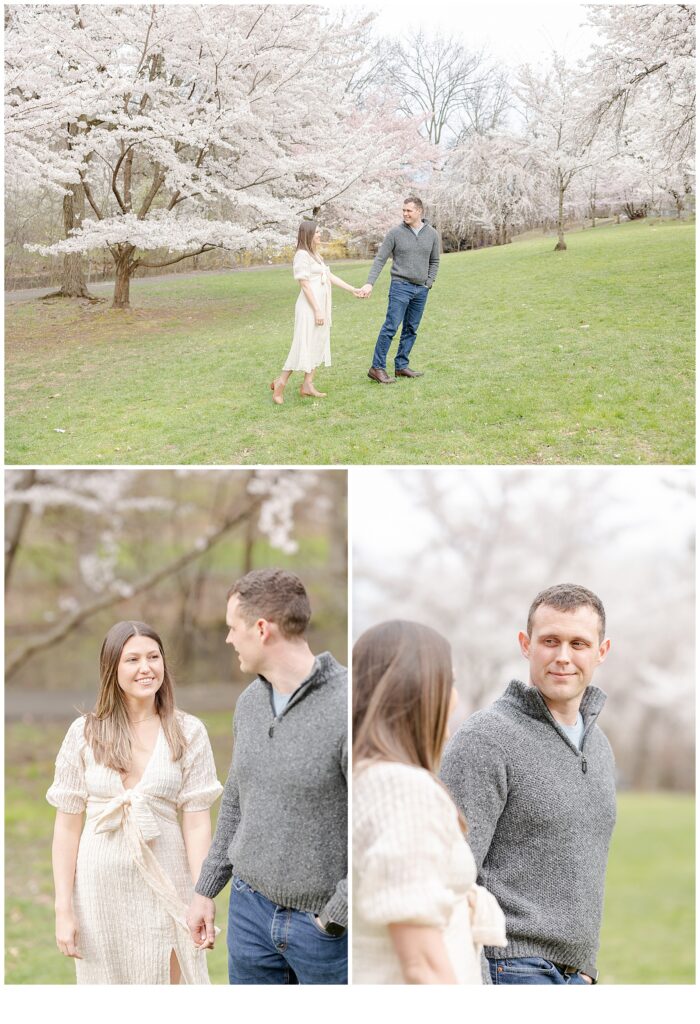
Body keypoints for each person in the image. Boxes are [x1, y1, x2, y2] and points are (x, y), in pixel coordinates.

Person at [441, 583, 616, 986]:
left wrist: (585, 971)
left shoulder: (600, 746)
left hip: (576, 975)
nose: (563, 657)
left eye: (579, 644)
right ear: (526, 644)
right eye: (550, 641)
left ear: (601, 651)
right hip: (510, 967)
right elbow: (448, 874)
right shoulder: (488, 737)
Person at [187, 569, 348, 984]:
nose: (228, 639)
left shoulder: (349, 707)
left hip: (326, 937)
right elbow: (238, 801)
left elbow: (376, 832)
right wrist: (206, 889)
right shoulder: (250, 703)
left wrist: (336, 917)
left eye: (232, 628)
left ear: (261, 629)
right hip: (249, 917)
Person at [46, 620, 223, 984]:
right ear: (112, 668)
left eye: (154, 657)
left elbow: (197, 822)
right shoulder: (84, 733)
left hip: (167, 881)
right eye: (133, 659)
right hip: (100, 893)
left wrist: (200, 894)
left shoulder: (188, 731)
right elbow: (66, 827)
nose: (146, 668)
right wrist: (64, 909)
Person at [352, 620, 505, 984]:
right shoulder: (401, 791)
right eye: (449, 682)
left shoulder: (371, 777)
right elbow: (423, 965)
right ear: (421, 690)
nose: (453, 697)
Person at [271, 220, 363, 403]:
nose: (320, 235)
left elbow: (328, 276)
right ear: (308, 234)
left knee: (317, 343)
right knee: (302, 343)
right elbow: (304, 285)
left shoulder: (315, 255)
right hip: (309, 307)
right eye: (317, 232)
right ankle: (280, 383)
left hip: (322, 305)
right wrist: (317, 310)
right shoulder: (302, 255)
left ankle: (307, 385)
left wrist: (352, 289)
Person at [359, 196, 440, 384]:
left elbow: (434, 260)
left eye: (409, 210)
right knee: (391, 327)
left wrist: (429, 282)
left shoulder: (432, 234)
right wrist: (369, 282)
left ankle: (401, 366)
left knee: (411, 328)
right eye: (403, 210)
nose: (405, 213)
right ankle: (377, 367)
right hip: (400, 287)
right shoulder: (395, 233)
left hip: (421, 289)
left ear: (419, 211)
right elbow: (380, 259)